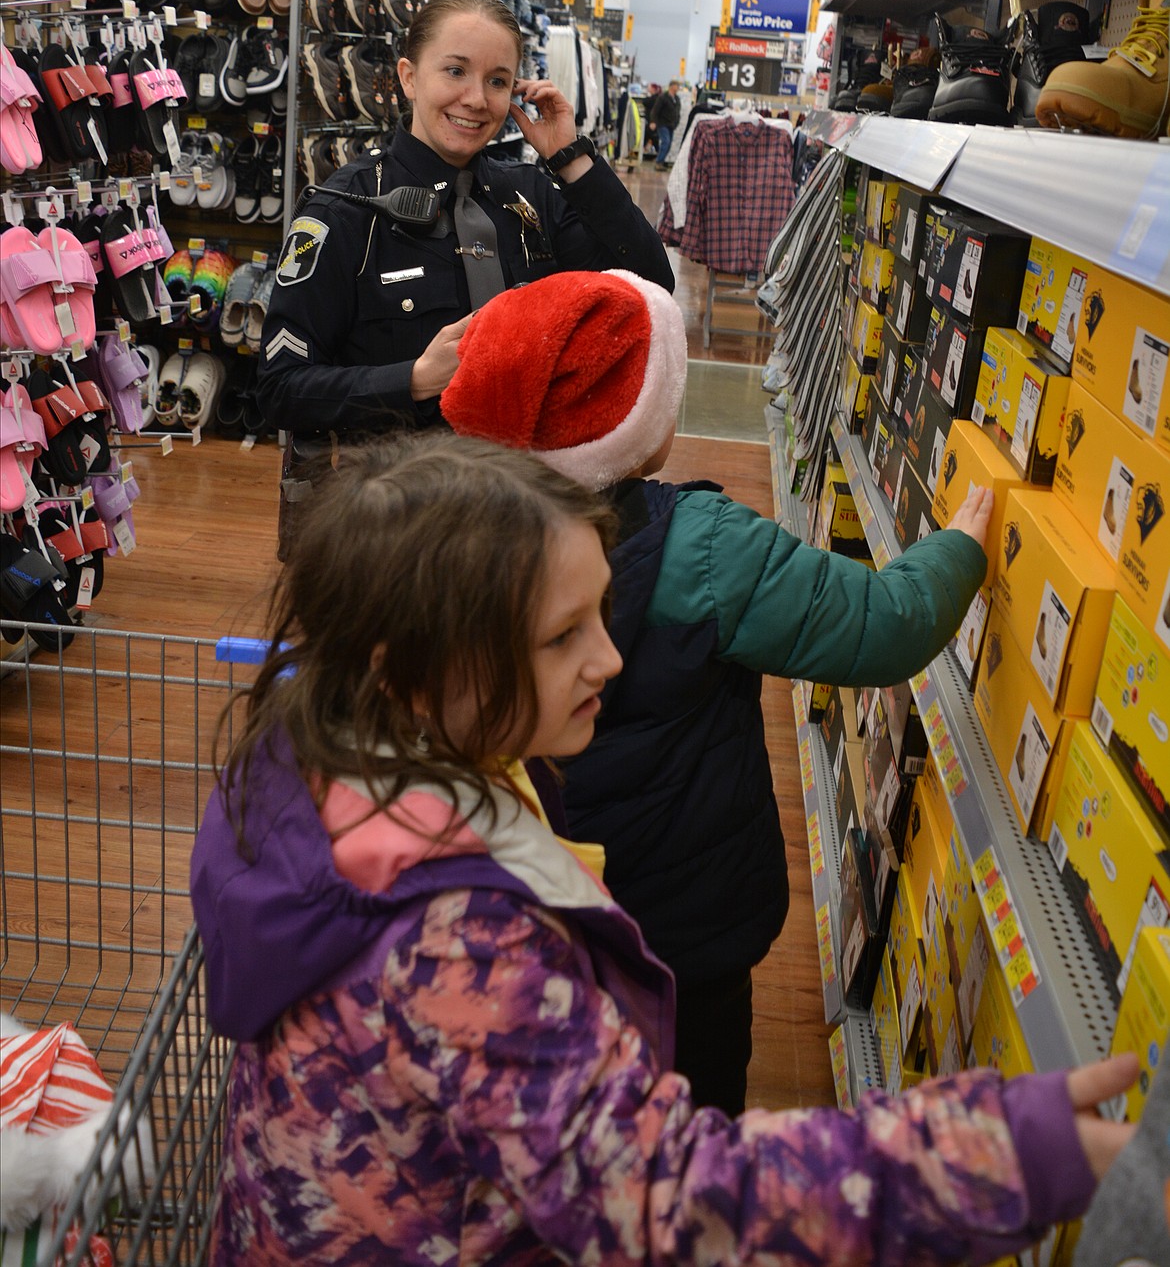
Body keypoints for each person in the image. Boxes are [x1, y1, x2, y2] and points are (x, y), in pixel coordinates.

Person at [191, 430, 1136, 1266]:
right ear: (414, 673)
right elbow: (669, 1203)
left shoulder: (326, 764)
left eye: (599, 614)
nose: (607, 659)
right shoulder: (457, 940)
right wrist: (991, 1154)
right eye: (562, 637)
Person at [441, 268, 991, 1114]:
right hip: (681, 917)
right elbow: (888, 623)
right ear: (642, 422)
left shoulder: (447, 534)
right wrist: (961, 545)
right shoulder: (703, 546)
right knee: (693, 1104)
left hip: (520, 896)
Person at [256, 0, 673, 448]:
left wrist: (571, 159)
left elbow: (650, 283)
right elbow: (281, 389)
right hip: (401, 499)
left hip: (533, 484)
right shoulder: (346, 212)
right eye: (455, 71)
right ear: (409, 78)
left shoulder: (531, 195)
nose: (476, 99)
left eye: (497, 81)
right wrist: (413, 380)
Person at [650, 78, 681, 168]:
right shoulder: (663, 97)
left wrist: (676, 122)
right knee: (666, 142)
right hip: (662, 124)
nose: (678, 88)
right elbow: (655, 110)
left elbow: (677, 111)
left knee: (669, 144)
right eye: (677, 86)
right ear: (671, 86)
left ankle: (660, 161)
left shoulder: (677, 99)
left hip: (671, 125)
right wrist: (653, 121)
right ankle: (658, 162)